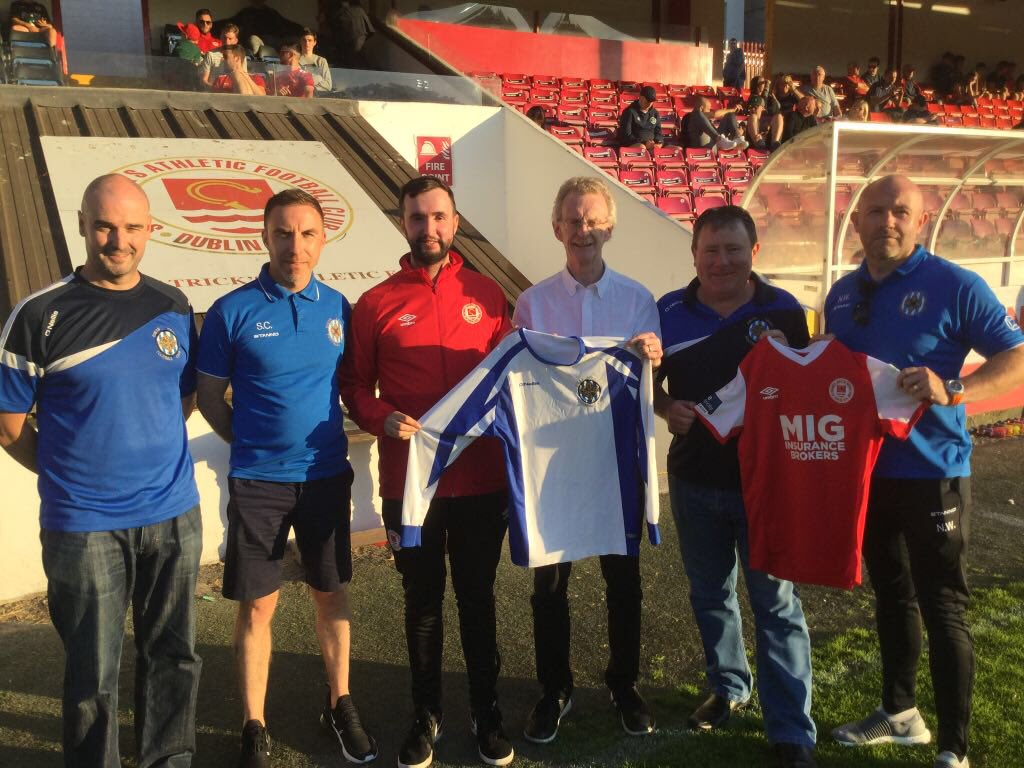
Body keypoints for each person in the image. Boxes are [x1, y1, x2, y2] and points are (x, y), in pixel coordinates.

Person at [0, 174, 203, 767]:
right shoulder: (39, 315)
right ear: (84, 224)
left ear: (150, 231)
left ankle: (170, 760)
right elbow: (10, 422)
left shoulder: (172, 304)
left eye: (133, 228)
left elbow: (182, 396)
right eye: (106, 226)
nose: (119, 239)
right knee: (94, 674)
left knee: (175, 655)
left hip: (173, 515)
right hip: (83, 525)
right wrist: (70, 475)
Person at [826, 175, 1024, 768]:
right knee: (890, 594)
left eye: (900, 212)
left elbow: (1016, 356)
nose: (887, 222)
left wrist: (954, 387)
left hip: (933, 470)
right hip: (868, 473)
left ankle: (953, 749)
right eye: (876, 211)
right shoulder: (839, 294)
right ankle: (900, 713)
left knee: (943, 604)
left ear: (920, 219)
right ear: (857, 219)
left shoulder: (953, 284)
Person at [196, 188, 378, 767]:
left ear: (322, 240)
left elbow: (351, 385)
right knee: (256, 607)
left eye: (306, 234)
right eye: (282, 233)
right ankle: (255, 723)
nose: (294, 246)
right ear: (264, 236)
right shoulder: (232, 310)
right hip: (258, 483)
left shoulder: (338, 308)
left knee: (331, 594)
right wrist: (252, 444)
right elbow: (208, 399)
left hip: (326, 476)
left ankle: (340, 703)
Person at [339, 176, 514, 768]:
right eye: (418, 218)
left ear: (455, 221)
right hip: (410, 484)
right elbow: (354, 386)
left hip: (480, 478)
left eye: (438, 217)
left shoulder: (489, 295)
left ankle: (486, 711)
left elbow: (512, 379)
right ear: (404, 224)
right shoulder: (376, 303)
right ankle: (426, 714)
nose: (429, 228)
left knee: (477, 598)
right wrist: (381, 416)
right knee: (421, 601)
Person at [654, 205, 817, 768]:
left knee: (776, 603)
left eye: (733, 249)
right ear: (693, 254)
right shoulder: (668, 311)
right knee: (710, 594)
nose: (721, 261)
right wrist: (664, 407)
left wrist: (784, 358)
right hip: (694, 479)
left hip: (765, 485)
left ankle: (792, 729)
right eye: (710, 250)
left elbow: (811, 396)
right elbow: (650, 390)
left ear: (754, 253)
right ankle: (728, 686)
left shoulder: (785, 311)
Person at [513, 175, 663, 744]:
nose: (583, 230)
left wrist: (654, 357)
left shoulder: (638, 299)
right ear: (557, 229)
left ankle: (623, 685)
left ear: (610, 227)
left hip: (618, 465)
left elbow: (655, 382)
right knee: (549, 586)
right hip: (553, 467)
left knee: (623, 583)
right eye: (573, 220)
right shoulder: (533, 301)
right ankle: (555, 689)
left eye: (592, 220)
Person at [224, 0, 303, 58]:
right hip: (258, 40)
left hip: (273, 41)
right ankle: (256, 62)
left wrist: (302, 29)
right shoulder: (246, 13)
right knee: (253, 39)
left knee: (296, 39)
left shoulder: (271, 12)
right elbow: (231, 22)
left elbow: (286, 23)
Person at [682, 96, 747, 151]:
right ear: (701, 108)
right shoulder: (691, 116)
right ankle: (719, 139)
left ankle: (737, 138)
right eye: (708, 109)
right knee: (697, 114)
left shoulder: (706, 121)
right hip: (698, 147)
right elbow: (714, 114)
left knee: (730, 115)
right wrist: (731, 109)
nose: (709, 111)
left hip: (714, 144)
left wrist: (736, 133)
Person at [618, 85, 663, 152]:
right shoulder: (629, 112)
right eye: (648, 101)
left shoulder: (655, 113)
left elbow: (658, 132)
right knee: (641, 148)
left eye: (651, 101)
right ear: (641, 98)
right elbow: (626, 135)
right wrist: (644, 143)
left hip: (652, 144)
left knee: (675, 149)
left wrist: (658, 142)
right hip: (633, 143)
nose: (650, 104)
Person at [331, 0, 375, 69]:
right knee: (355, 57)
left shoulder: (347, 11)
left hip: (355, 32)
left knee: (355, 57)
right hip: (357, 32)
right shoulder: (357, 10)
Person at [200, 22, 244, 88]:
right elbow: (203, 81)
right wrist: (217, 90)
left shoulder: (240, 56)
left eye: (230, 39)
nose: (227, 42)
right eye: (224, 37)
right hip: (214, 94)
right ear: (220, 37)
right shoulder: (211, 55)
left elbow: (244, 79)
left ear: (236, 40)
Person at [298, 28, 334, 93]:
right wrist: (318, 79)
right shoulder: (295, 59)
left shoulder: (321, 61)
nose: (307, 43)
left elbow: (328, 85)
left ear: (314, 42)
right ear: (300, 41)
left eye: (310, 40)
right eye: (304, 40)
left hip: (317, 98)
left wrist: (312, 89)